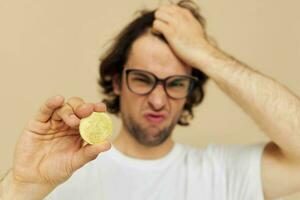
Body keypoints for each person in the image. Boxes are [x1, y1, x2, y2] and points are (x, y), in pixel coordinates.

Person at [1, 0, 300, 199]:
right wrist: (22, 186)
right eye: (143, 79)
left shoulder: (221, 174)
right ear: (118, 82)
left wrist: (205, 53)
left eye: (176, 83)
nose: (158, 100)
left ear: (190, 90)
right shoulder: (61, 173)